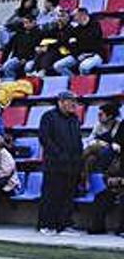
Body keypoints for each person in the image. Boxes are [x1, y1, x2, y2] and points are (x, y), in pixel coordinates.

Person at [38, 91, 84, 235]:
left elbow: (78, 140)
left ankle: (64, 224)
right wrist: (59, 154)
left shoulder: (74, 119)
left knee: (68, 196)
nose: (74, 104)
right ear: (61, 102)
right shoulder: (48, 117)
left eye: (75, 101)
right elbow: (45, 139)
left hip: (72, 164)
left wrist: (78, 158)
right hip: (54, 164)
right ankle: (46, 225)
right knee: (51, 195)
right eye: (71, 101)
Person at [53, 7, 104, 77]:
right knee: (58, 66)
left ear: (82, 15)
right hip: (80, 55)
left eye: (75, 16)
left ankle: (84, 84)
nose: (73, 18)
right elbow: (70, 44)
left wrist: (79, 44)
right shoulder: (76, 28)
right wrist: (78, 55)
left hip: (95, 55)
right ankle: (74, 79)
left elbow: (92, 42)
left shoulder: (95, 25)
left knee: (83, 67)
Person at [83, 102, 123, 179]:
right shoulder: (98, 125)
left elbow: (116, 144)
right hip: (98, 150)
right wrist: (100, 142)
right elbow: (90, 139)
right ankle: (85, 182)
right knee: (90, 160)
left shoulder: (119, 125)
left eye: (101, 115)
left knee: (91, 149)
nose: (98, 117)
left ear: (110, 116)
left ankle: (74, 165)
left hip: (111, 152)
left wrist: (101, 142)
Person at [88, 152, 124, 236]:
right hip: (118, 188)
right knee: (101, 196)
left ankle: (122, 229)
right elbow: (107, 175)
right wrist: (111, 179)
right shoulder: (118, 159)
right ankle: (97, 227)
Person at [0, 15, 41, 80]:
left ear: (33, 22)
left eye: (27, 23)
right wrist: (2, 61)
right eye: (24, 23)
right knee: (6, 66)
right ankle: (11, 83)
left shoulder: (39, 34)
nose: (24, 25)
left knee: (28, 67)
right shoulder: (19, 34)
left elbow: (36, 50)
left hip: (32, 58)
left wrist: (26, 59)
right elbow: (8, 48)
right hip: (18, 57)